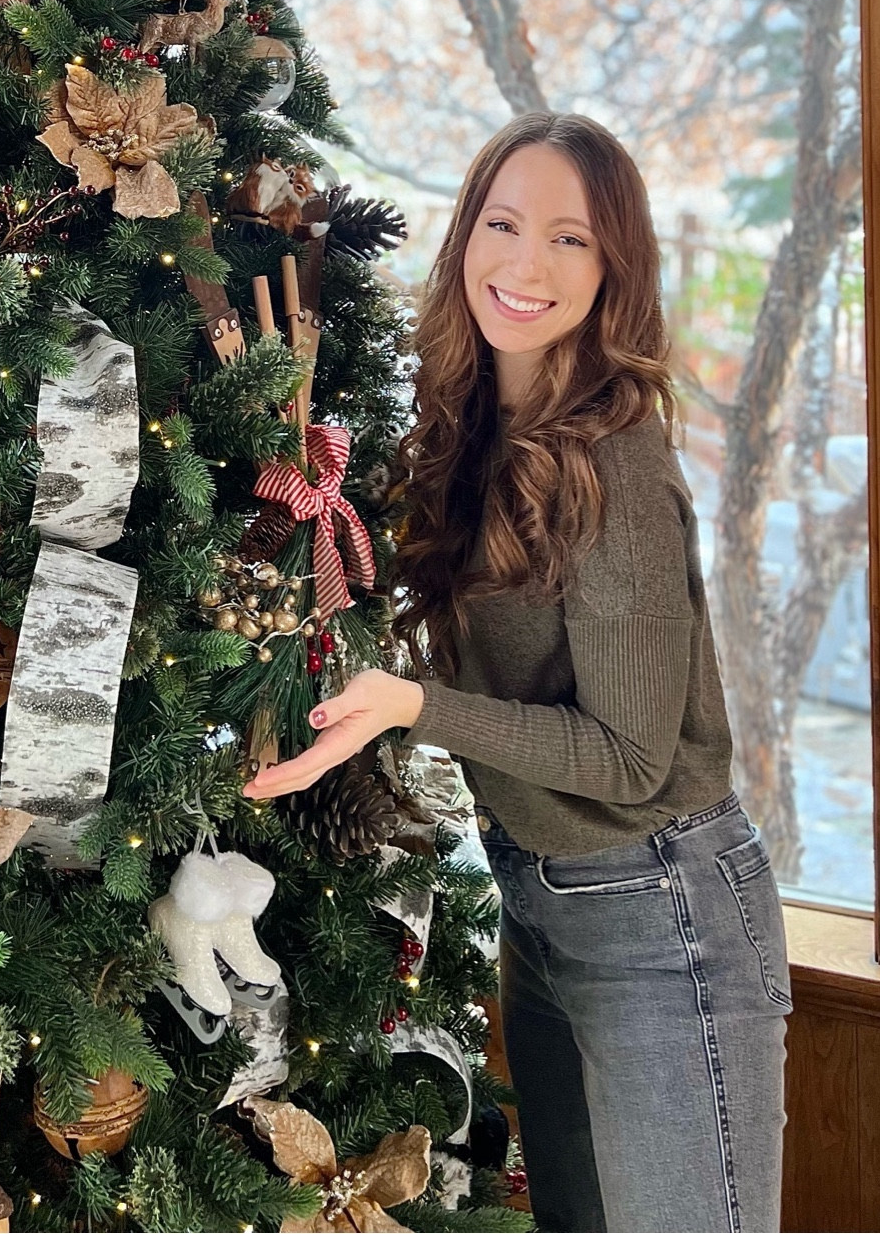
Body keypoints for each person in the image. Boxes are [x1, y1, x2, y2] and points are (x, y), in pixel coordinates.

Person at [244, 113, 792, 1234]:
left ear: (614, 269)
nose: (524, 265)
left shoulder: (613, 461)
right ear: (464, 238)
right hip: (541, 904)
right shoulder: (471, 420)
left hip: (663, 911)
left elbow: (631, 759)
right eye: (502, 224)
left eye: (569, 240)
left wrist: (416, 709)